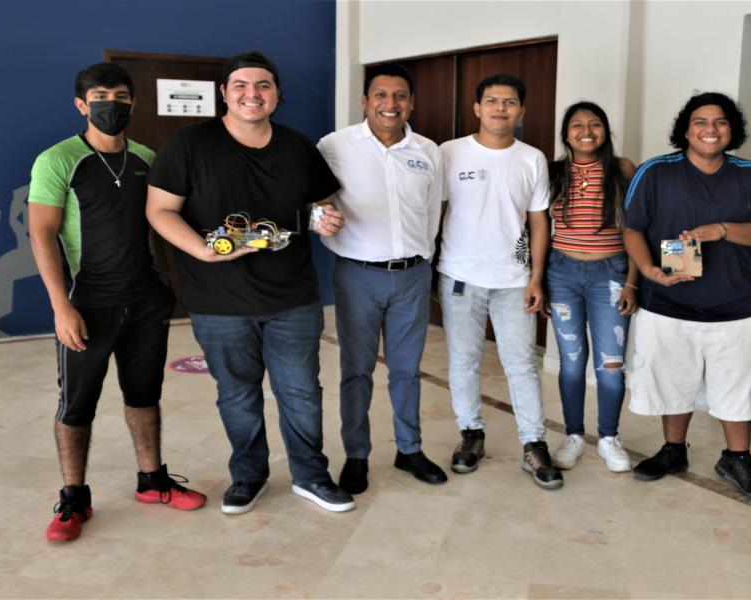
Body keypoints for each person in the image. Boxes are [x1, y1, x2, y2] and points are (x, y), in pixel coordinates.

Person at [146, 51, 354, 515]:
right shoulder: (188, 144)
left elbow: (319, 203)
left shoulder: (298, 146)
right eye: (240, 84)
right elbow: (159, 210)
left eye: (263, 85)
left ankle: (311, 476)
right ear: (224, 93)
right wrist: (202, 249)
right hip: (217, 300)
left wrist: (325, 217)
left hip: (292, 296)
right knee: (237, 394)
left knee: (301, 392)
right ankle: (249, 476)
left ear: (277, 93)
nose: (252, 94)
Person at [29, 62, 206, 543]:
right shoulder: (58, 160)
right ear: (81, 105)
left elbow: (166, 221)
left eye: (122, 97)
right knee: (77, 404)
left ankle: (152, 481)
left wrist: (170, 285)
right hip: (87, 303)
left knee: (144, 394)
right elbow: (41, 234)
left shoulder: (147, 158)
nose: (113, 105)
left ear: (133, 103)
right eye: (101, 97)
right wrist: (61, 307)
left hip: (145, 300)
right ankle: (74, 498)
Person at [622, 92, 751, 501]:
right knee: (673, 381)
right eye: (701, 122)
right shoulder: (656, 171)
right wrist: (649, 272)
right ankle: (673, 450)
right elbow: (632, 228)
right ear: (686, 129)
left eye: (720, 122)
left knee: (738, 388)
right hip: (668, 305)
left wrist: (724, 230)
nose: (710, 130)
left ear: (732, 130)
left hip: (733, 307)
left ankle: (737, 459)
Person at [316, 64, 447, 493]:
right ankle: (357, 455)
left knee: (407, 370)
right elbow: (313, 201)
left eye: (400, 96)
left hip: (412, 276)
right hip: (358, 276)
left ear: (411, 103)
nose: (390, 104)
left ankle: (409, 449)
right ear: (365, 101)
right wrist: (320, 218)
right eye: (381, 95)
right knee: (356, 370)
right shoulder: (334, 146)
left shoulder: (428, 150)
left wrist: (424, 260)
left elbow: (433, 212)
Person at [438, 74, 562, 490]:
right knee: (463, 360)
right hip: (460, 276)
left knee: (521, 363)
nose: (500, 108)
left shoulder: (532, 159)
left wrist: (536, 277)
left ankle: (534, 442)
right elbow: (432, 210)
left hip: (514, 280)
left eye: (509, 102)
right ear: (477, 108)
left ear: (521, 111)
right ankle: (471, 433)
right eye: (492, 101)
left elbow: (539, 221)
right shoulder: (450, 152)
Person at [545, 101, 638, 472]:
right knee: (570, 362)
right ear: (566, 134)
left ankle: (609, 438)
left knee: (611, 365)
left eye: (595, 124)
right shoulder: (553, 172)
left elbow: (638, 227)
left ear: (605, 131)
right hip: (562, 273)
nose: (586, 131)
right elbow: (537, 226)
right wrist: (538, 279)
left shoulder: (622, 168)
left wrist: (632, 282)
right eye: (577, 125)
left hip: (611, 275)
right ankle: (573, 436)